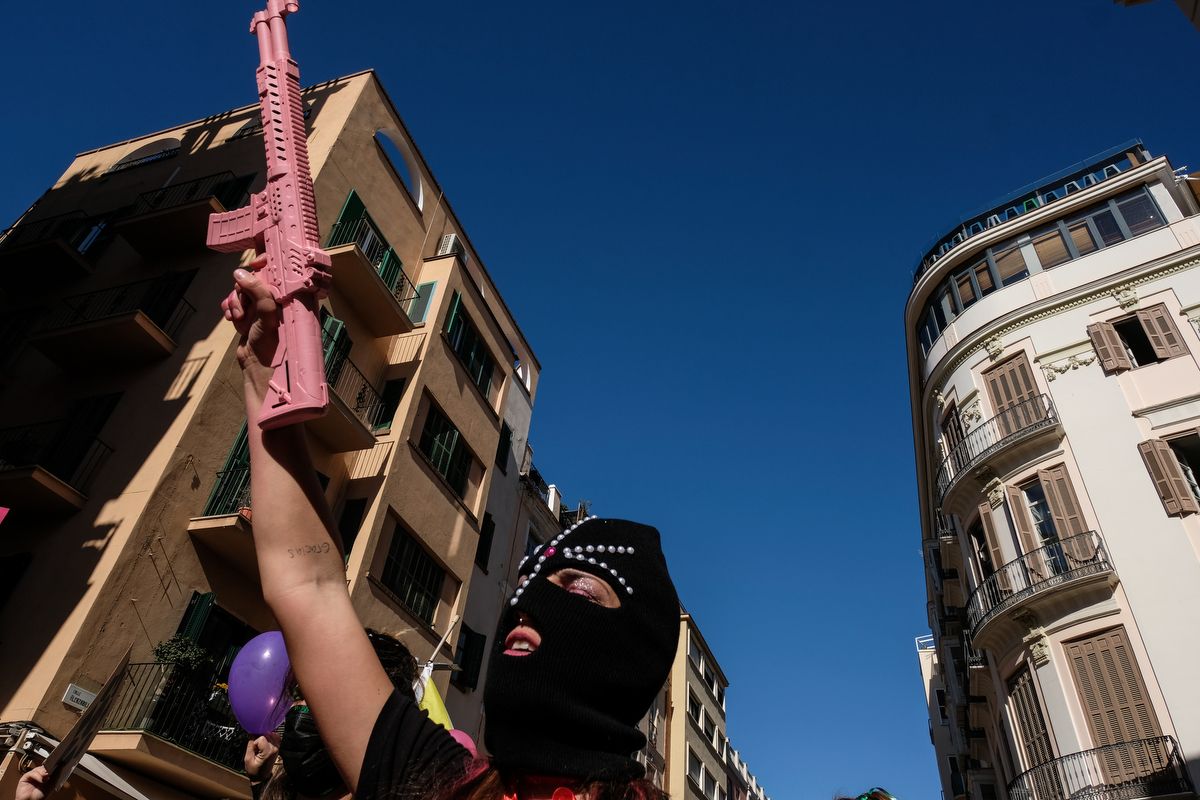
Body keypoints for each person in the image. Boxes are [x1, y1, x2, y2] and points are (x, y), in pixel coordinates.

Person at [222, 265, 681, 800]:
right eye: (525, 587)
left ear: (635, 655)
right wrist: (263, 374)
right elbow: (309, 586)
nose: (526, 606)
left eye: (577, 588)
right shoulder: (435, 782)